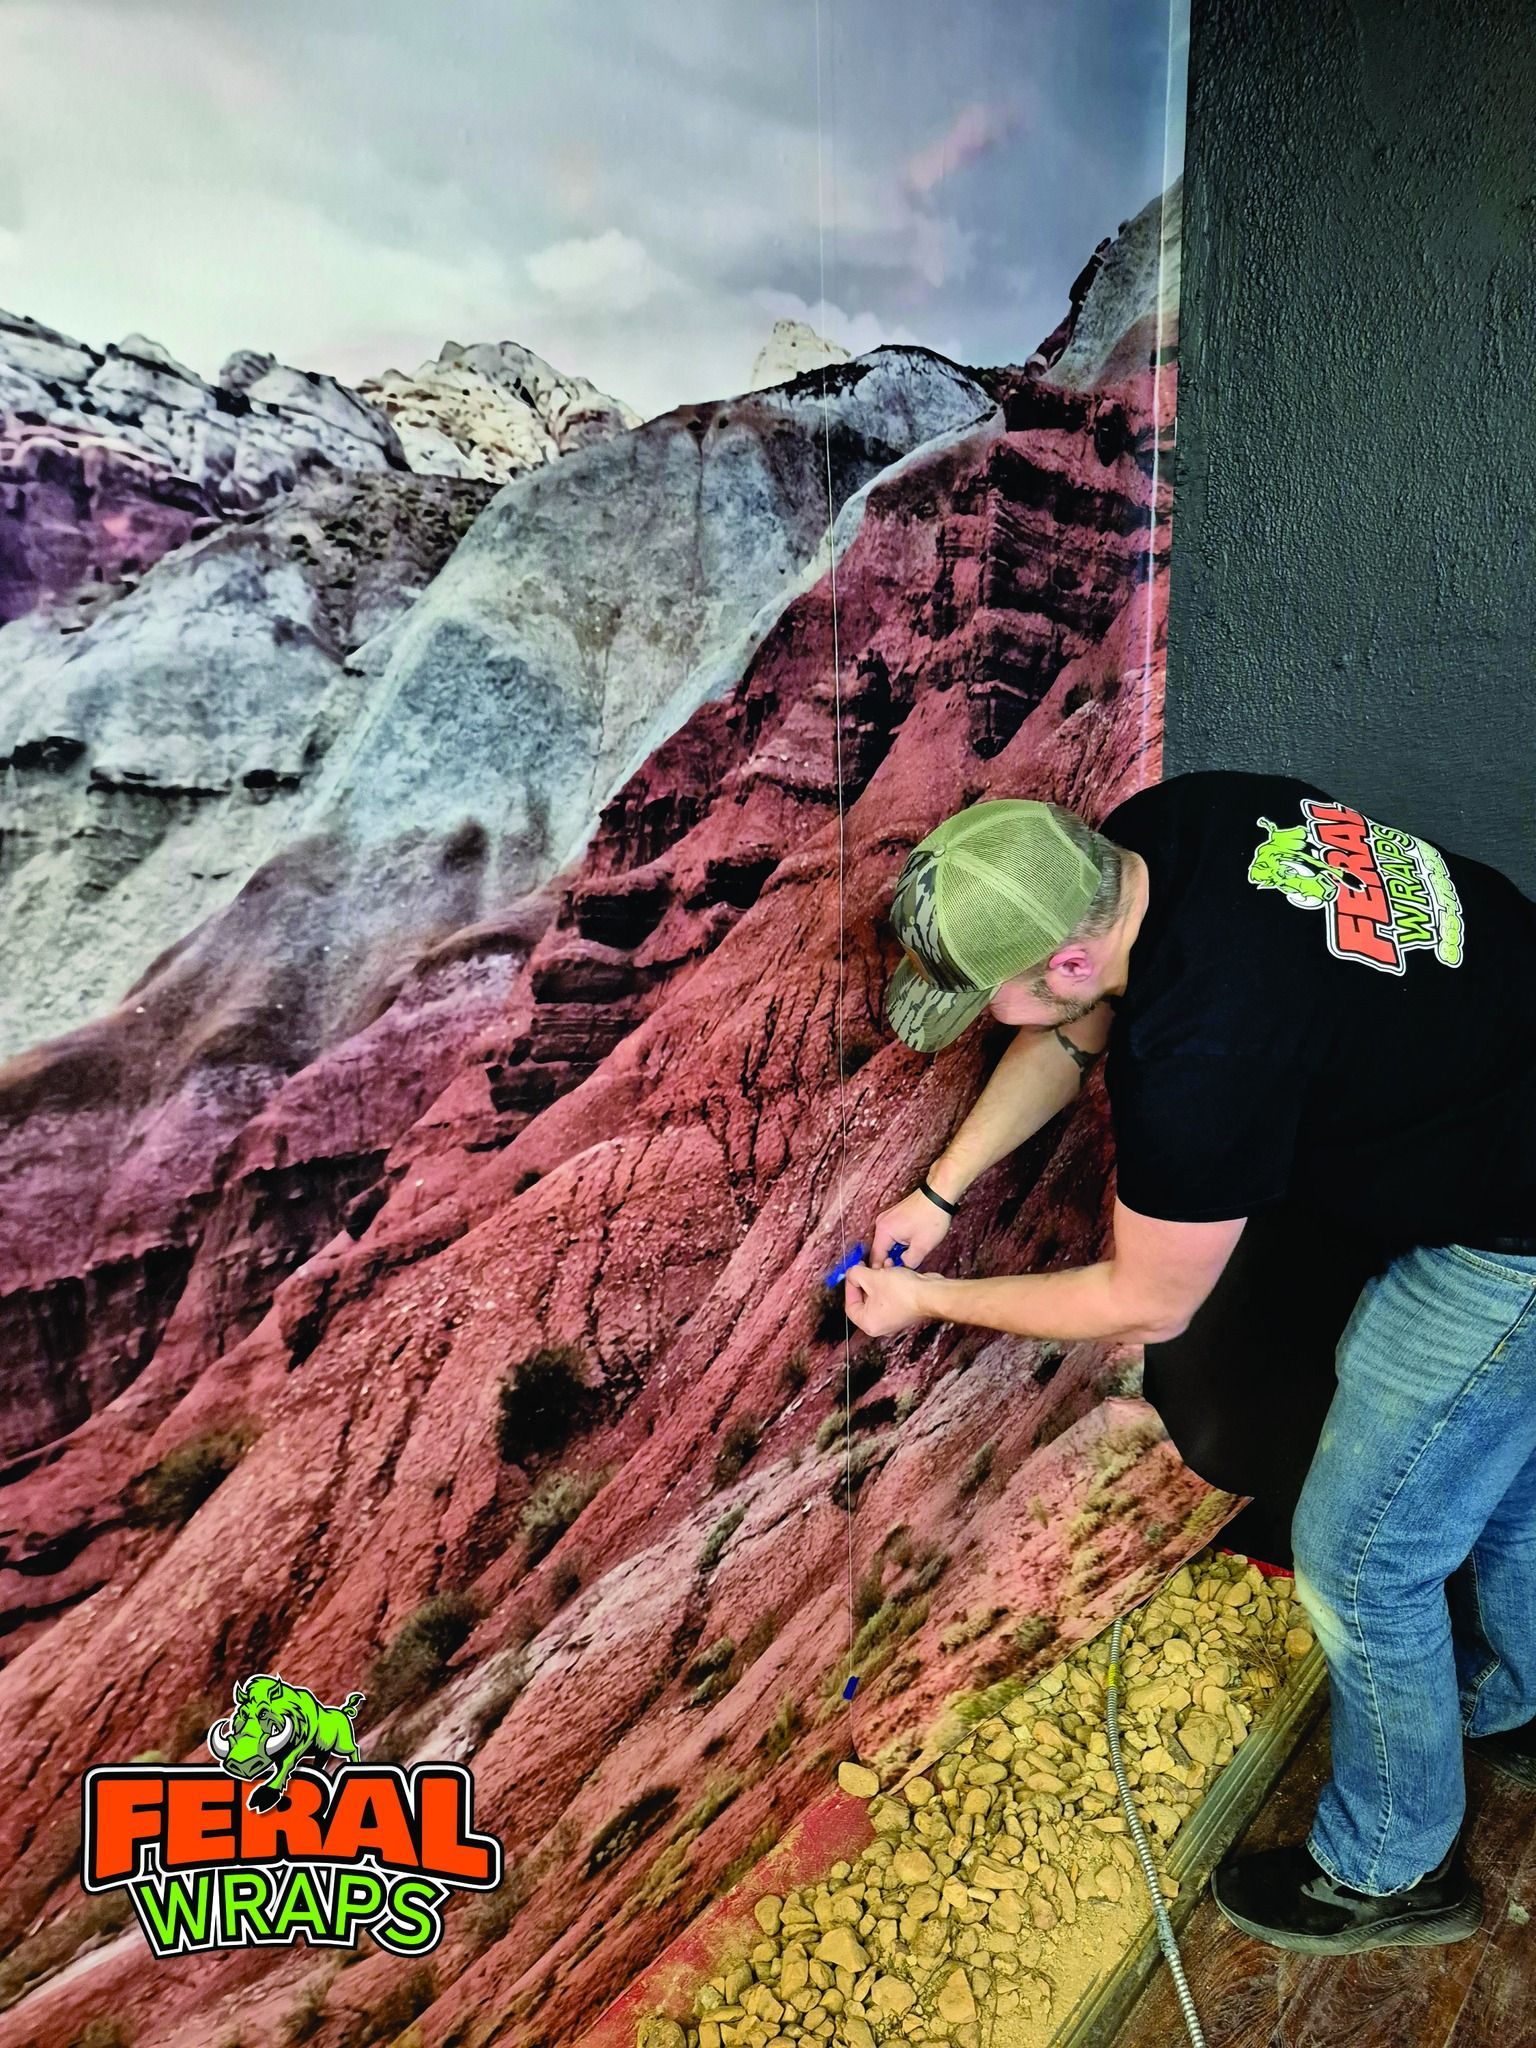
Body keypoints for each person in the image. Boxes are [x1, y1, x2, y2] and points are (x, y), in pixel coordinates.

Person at [842, 772, 1536, 1954]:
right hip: (1500, 1085)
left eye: (981, 993)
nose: (977, 1014)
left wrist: (929, 1299)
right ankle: (1520, 1697)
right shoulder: (1164, 834)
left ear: (1066, 952)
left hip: (1510, 1230)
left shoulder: (1204, 1050)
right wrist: (938, 1189)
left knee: (1363, 1562)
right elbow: (1073, 1028)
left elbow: (1147, 1298)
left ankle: (1389, 1870)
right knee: (1499, 1472)